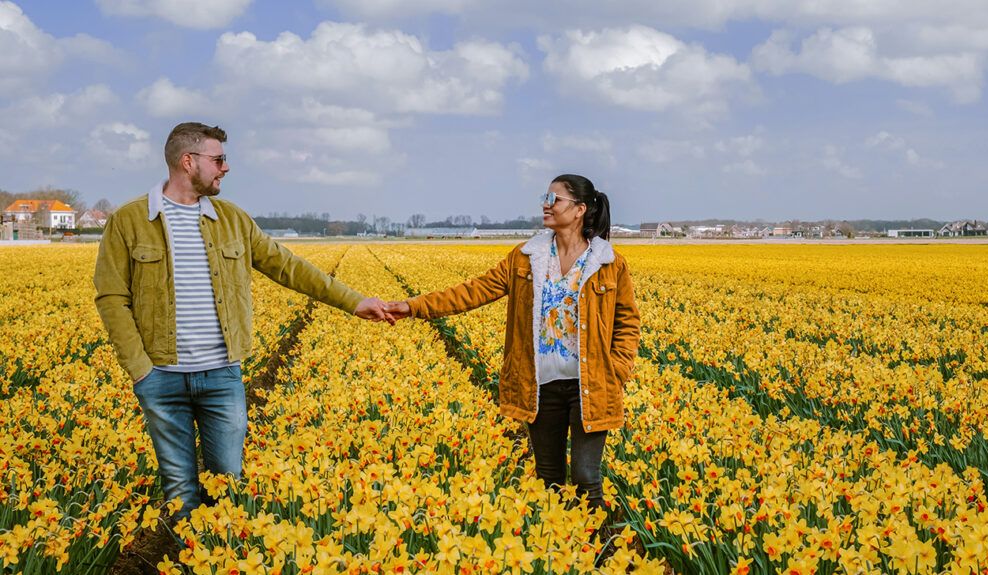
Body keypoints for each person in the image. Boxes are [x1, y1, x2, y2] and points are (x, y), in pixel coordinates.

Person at [94, 122, 393, 524]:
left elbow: (288, 266)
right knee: (180, 492)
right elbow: (112, 297)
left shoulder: (232, 219)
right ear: (188, 162)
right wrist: (140, 370)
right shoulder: (129, 221)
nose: (225, 168)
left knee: (228, 486)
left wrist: (355, 302)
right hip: (161, 377)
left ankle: (220, 558)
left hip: (221, 377)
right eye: (217, 160)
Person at [386, 174, 640, 510]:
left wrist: (616, 371)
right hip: (541, 385)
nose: (545, 205)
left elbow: (628, 321)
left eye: (554, 199)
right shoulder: (526, 258)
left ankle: (598, 550)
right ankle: (559, 550)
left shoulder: (608, 264)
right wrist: (412, 306)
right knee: (548, 477)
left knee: (584, 477)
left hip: (591, 385)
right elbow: (472, 292)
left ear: (580, 209)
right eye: (544, 197)